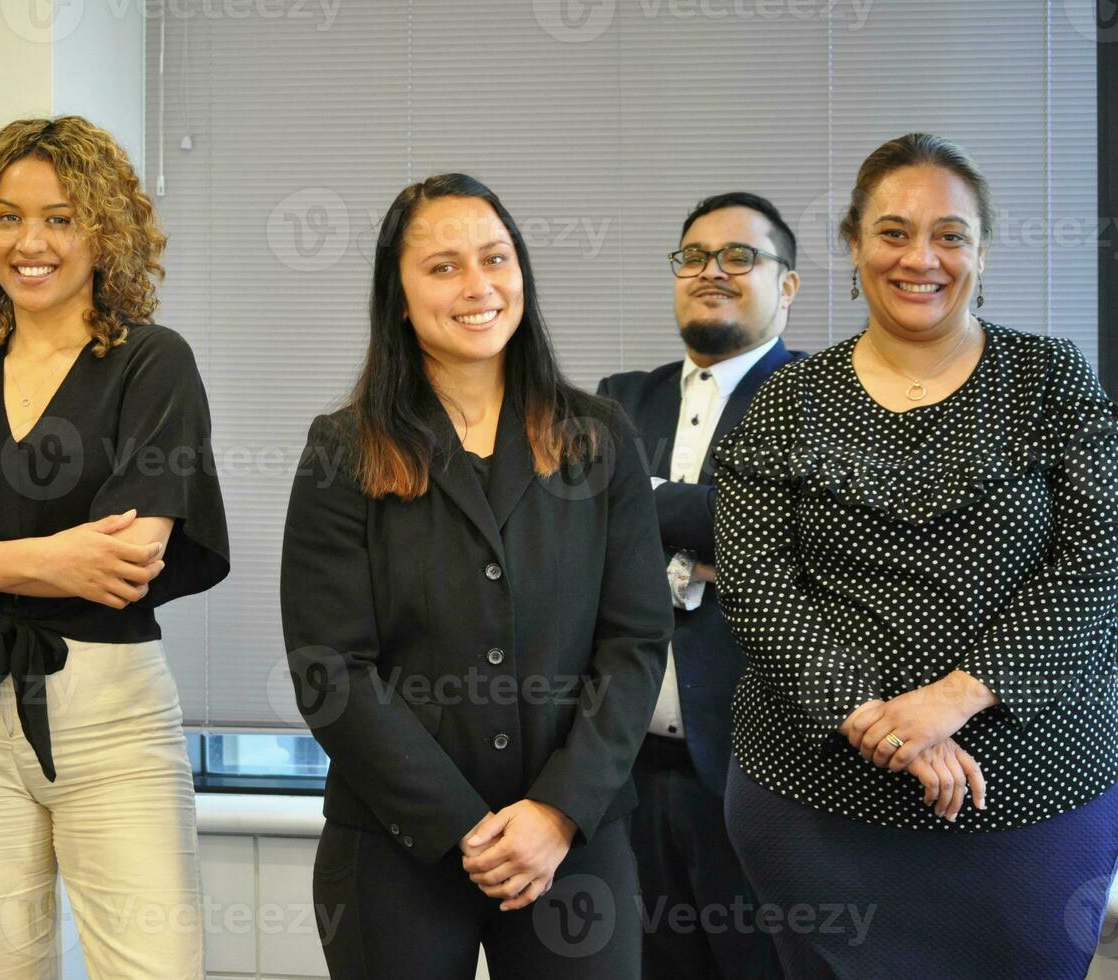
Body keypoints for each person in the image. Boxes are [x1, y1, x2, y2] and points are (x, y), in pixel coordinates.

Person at [714, 133, 1118, 978]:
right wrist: (881, 722)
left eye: (950, 234)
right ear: (853, 243)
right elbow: (754, 583)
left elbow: (1096, 558)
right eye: (893, 232)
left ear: (983, 251)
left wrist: (951, 700)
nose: (920, 258)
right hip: (815, 798)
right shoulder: (788, 398)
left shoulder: (1050, 376)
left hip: (1030, 793)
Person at [280, 173, 673, 979]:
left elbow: (633, 642)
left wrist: (557, 814)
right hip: (394, 845)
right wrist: (466, 825)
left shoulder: (598, 439)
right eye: (443, 266)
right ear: (397, 293)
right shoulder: (343, 449)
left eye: (495, 258)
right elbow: (331, 667)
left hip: (573, 846)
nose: (477, 286)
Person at [0, 115, 229, 979]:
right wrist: (49, 556)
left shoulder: (152, 363)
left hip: (112, 715)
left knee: (154, 968)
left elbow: (127, 559)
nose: (29, 242)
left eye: (60, 218)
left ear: (103, 231)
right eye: (6, 216)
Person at [597, 191, 798, 980]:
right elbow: (576, 538)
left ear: (787, 284)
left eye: (740, 256)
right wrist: (699, 548)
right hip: (628, 777)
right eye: (693, 257)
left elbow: (780, 537)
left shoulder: (821, 397)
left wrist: (641, 501)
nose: (711, 271)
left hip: (764, 778)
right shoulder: (619, 399)